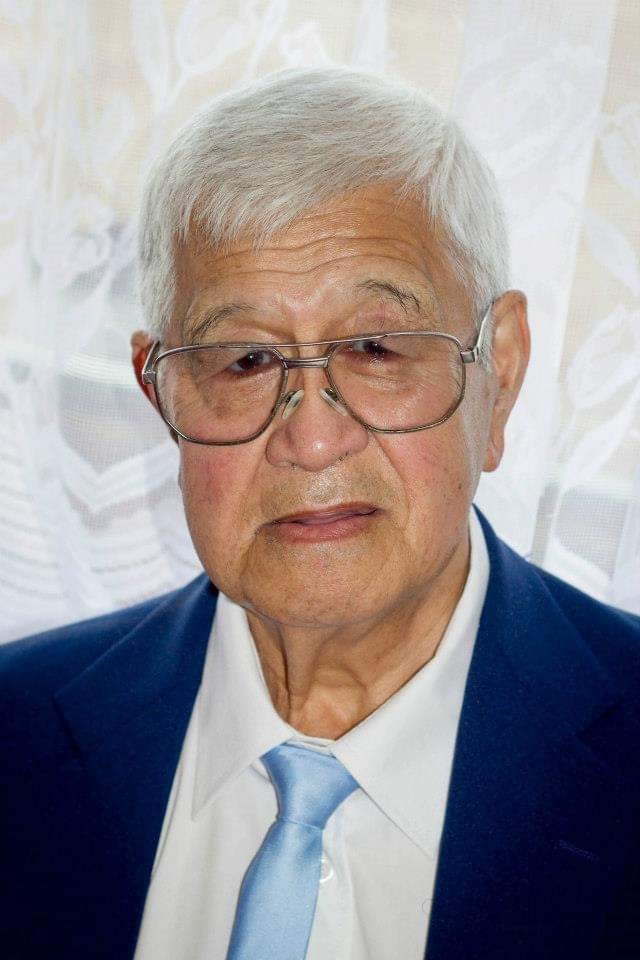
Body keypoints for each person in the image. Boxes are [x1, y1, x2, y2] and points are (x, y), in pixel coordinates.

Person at [1, 68, 638, 960]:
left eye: (376, 348)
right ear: (160, 394)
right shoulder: (16, 733)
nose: (311, 440)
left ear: (500, 372)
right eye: (245, 360)